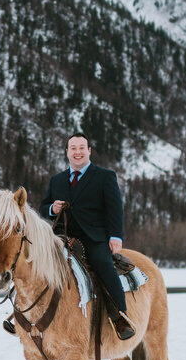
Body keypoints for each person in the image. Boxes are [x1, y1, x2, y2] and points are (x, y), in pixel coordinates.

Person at [38, 132, 136, 340]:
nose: (77, 152)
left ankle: (120, 316)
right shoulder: (57, 180)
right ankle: (22, 314)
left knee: (103, 264)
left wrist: (115, 237)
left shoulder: (104, 176)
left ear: (89, 151)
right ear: (67, 152)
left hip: (93, 237)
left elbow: (115, 208)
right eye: (73, 148)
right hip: (61, 237)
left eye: (82, 147)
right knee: (35, 263)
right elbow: (43, 207)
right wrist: (51, 209)